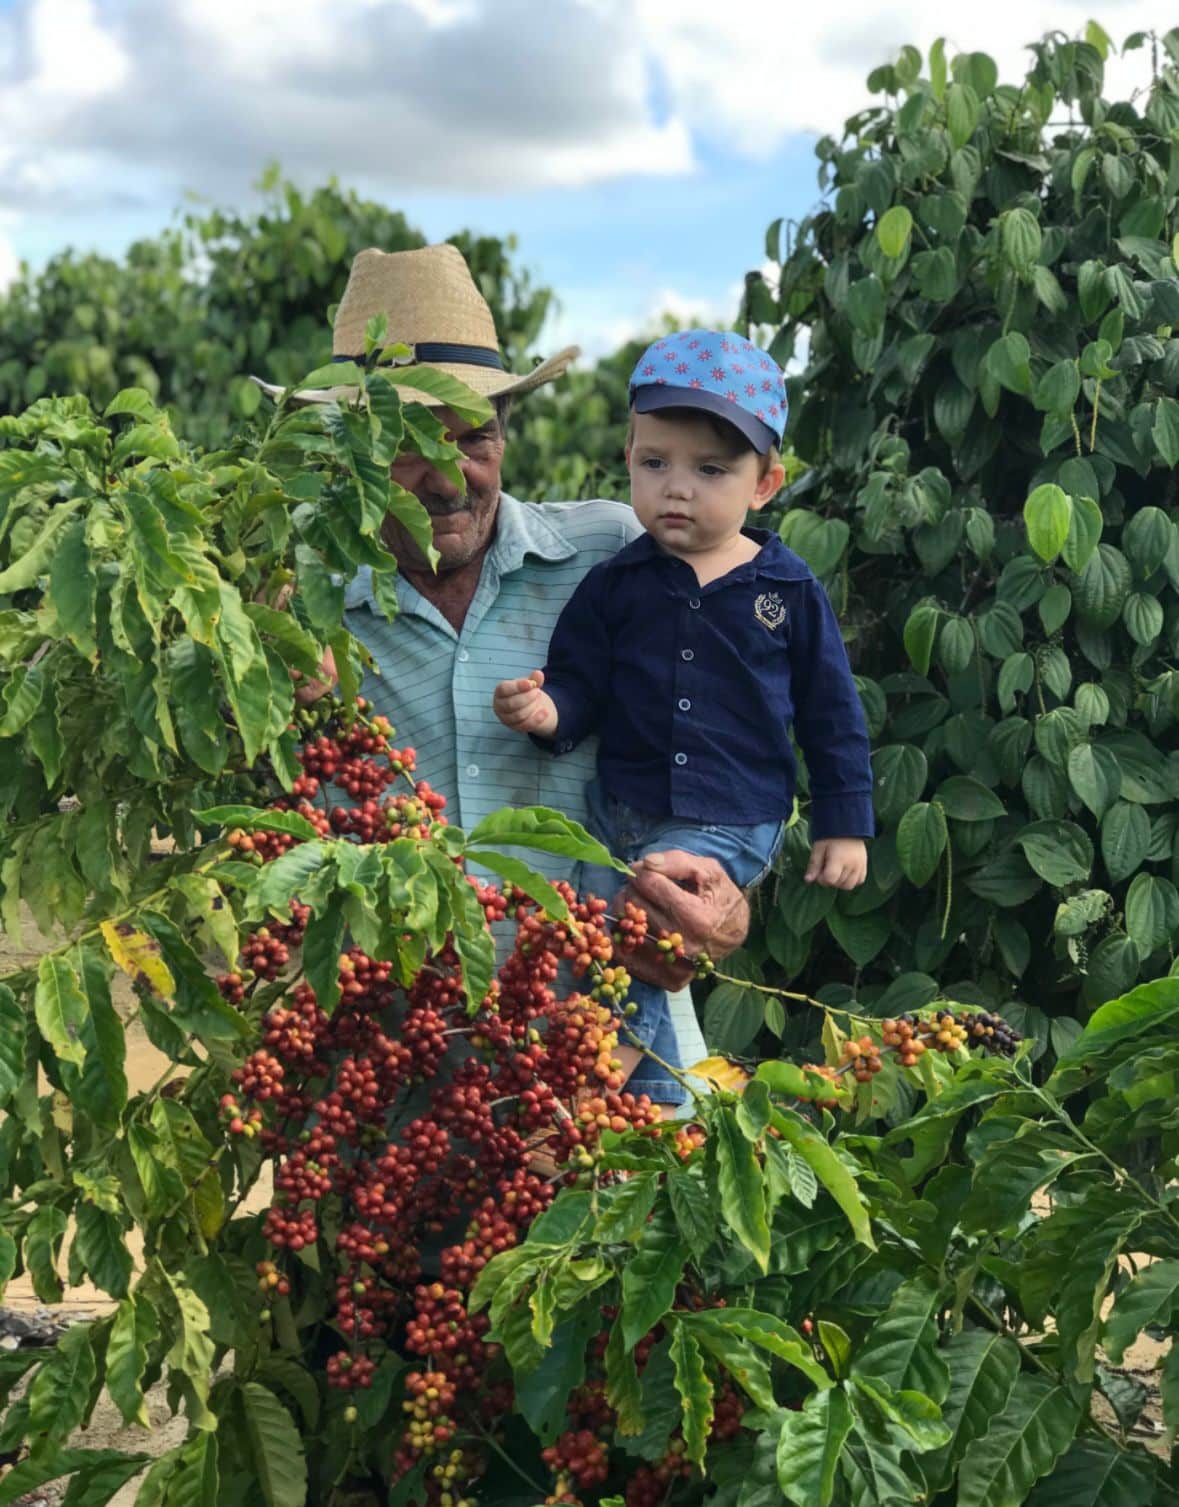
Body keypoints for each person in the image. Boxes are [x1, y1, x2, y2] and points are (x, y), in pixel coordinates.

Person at [253, 245, 752, 1109]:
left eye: (473, 437)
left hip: (625, 1069)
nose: (448, 479)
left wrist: (726, 904)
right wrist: (256, 704)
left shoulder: (618, 561)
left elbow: (734, 740)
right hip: (405, 1102)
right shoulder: (293, 608)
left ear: (507, 433)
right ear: (345, 451)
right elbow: (255, 850)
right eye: (406, 445)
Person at [491, 329, 874, 1103]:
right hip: (618, 811)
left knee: (648, 919)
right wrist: (544, 709)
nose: (677, 489)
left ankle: (605, 1075)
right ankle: (647, 1094)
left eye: (710, 470)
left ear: (764, 483)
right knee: (591, 936)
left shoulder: (786, 589)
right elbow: (580, 684)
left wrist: (844, 820)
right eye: (654, 463)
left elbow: (831, 710)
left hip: (727, 817)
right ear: (627, 456)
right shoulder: (614, 583)